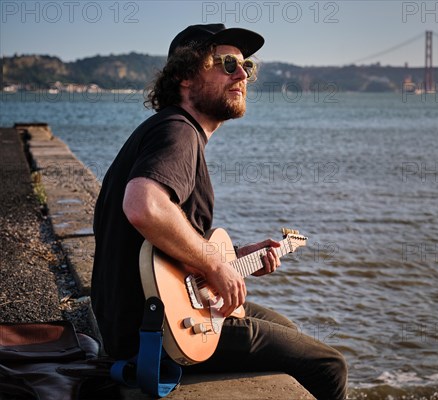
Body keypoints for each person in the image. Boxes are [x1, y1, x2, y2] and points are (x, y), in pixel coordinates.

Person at [91, 24, 347, 399]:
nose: (242, 74)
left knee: (286, 329)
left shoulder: (167, 131)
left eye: (247, 67)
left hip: (137, 317)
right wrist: (214, 266)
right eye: (227, 64)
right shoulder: (179, 132)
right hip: (155, 331)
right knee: (328, 366)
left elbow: (159, 246)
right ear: (183, 75)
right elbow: (143, 205)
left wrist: (232, 259)